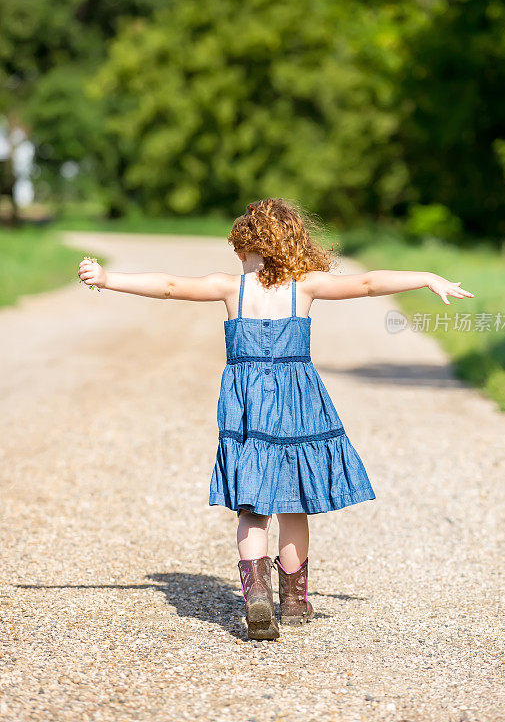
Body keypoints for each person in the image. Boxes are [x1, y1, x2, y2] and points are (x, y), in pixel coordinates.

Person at [77, 198, 474, 641]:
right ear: (293, 246)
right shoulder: (303, 287)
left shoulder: (231, 288)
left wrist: (108, 279)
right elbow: (366, 283)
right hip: (298, 400)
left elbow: (169, 285)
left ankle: (257, 597)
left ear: (245, 245)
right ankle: (293, 600)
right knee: (294, 501)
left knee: (252, 504)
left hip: (247, 405)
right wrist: (425, 277)